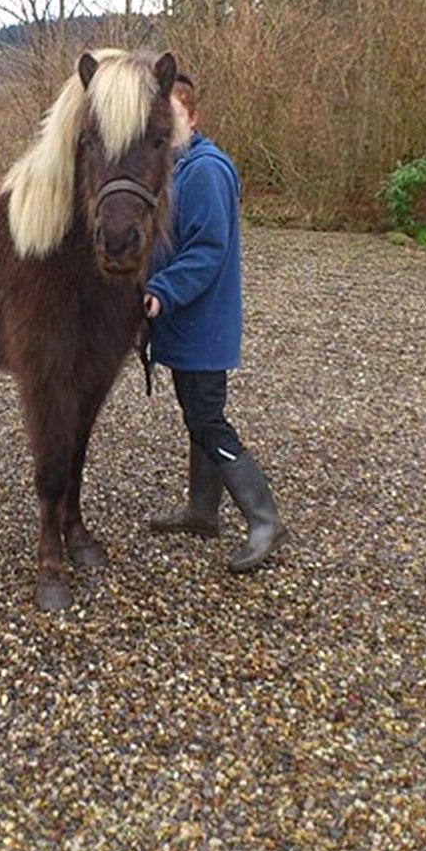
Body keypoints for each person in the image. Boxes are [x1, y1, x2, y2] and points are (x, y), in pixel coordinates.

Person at [144, 73, 287, 571]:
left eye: (175, 117)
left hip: (201, 326)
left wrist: (160, 292)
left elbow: (206, 252)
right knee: (196, 418)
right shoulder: (170, 170)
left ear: (193, 118)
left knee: (208, 420)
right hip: (186, 328)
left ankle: (264, 519)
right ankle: (203, 512)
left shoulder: (205, 171)